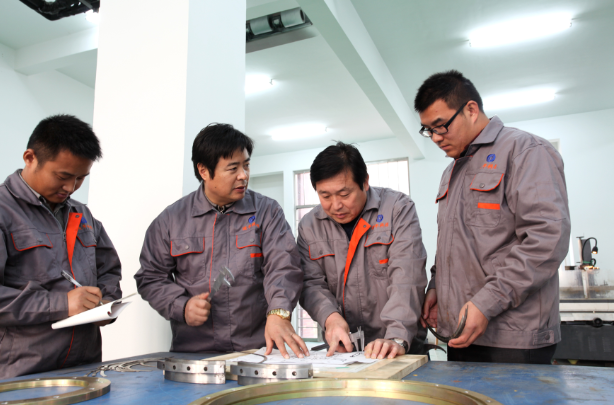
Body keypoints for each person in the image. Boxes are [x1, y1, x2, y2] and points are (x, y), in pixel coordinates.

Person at [415, 70, 570, 364]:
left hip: (513, 338)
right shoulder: (452, 171)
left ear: (471, 110)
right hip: (463, 331)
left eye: (441, 126)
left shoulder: (525, 151)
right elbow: (453, 243)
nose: (435, 138)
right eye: (428, 130)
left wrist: (487, 302)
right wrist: (436, 286)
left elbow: (547, 240)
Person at [135, 123, 308, 359]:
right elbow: (151, 277)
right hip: (194, 353)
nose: (243, 175)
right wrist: (181, 306)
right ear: (204, 171)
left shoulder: (267, 211)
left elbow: (283, 266)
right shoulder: (171, 220)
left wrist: (278, 313)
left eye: (246, 165)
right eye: (233, 168)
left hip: (258, 350)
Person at [0, 114, 122, 379]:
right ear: (30, 158)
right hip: (20, 375)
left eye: (81, 178)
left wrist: (106, 302)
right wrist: (61, 304)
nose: (70, 187)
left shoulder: (82, 214)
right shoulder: (3, 212)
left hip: (85, 369)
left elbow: (108, 269)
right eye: (63, 176)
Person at [298, 142, 428, 359]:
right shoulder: (309, 226)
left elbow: (407, 275)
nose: (336, 205)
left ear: (365, 182)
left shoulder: (397, 209)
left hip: (399, 348)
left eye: (344, 194)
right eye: (325, 196)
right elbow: (311, 283)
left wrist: (396, 336)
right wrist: (331, 318)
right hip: (343, 351)